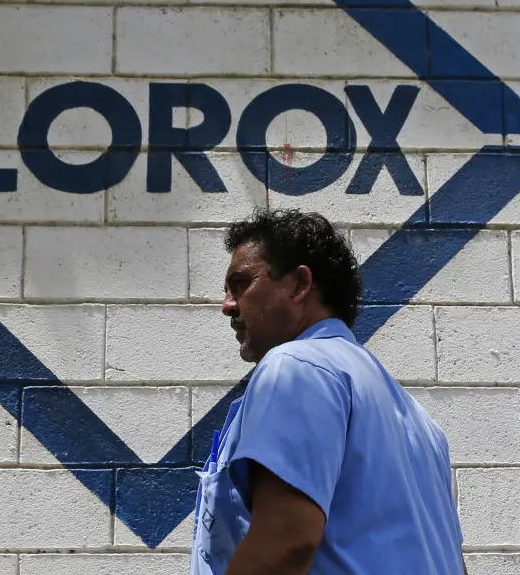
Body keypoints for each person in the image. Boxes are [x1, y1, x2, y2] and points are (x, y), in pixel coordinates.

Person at [190, 208, 466, 575]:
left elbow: (286, 542)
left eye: (240, 284)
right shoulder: (421, 423)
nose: (227, 306)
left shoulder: (296, 366)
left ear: (299, 284)